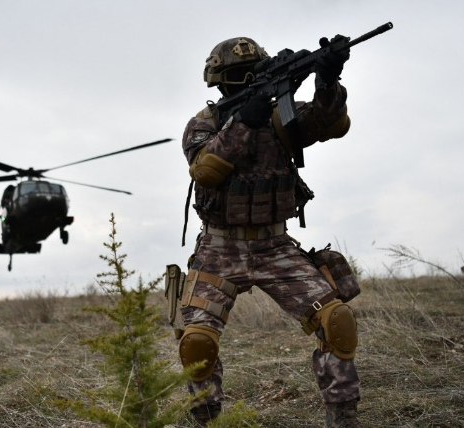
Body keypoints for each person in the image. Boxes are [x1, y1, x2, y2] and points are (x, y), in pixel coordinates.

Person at [179, 36, 361, 427]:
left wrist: (328, 80)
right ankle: (207, 422)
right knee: (197, 342)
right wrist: (247, 118)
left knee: (337, 323)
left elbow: (332, 124)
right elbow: (207, 169)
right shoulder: (204, 124)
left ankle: (344, 420)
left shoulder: (283, 116)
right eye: (236, 78)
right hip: (220, 247)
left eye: (251, 76)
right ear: (220, 83)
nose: (244, 82)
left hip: (275, 245)